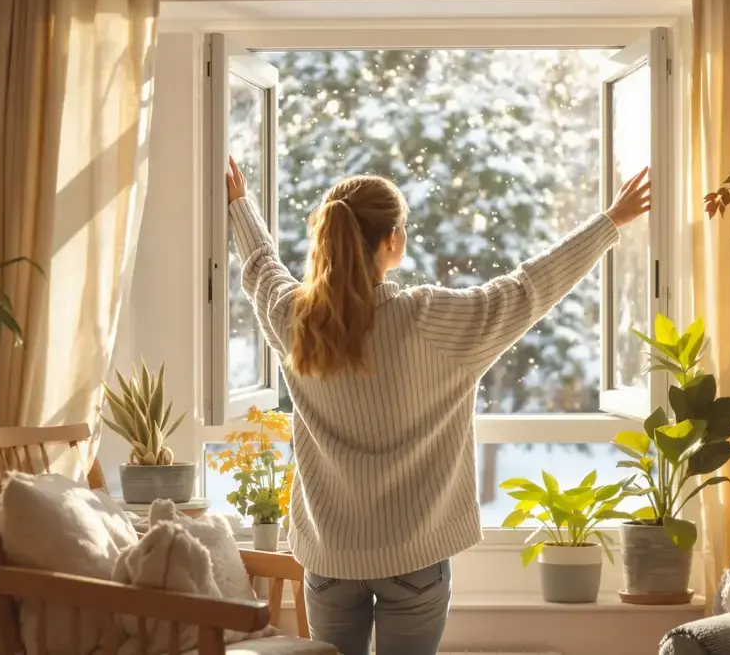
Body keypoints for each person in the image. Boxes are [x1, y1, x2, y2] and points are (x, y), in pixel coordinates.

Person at [226, 156, 651, 655]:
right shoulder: (431, 319)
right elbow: (529, 288)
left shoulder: (297, 320)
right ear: (393, 241)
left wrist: (240, 204)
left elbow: (260, 269)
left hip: (330, 560)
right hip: (415, 560)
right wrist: (609, 223)